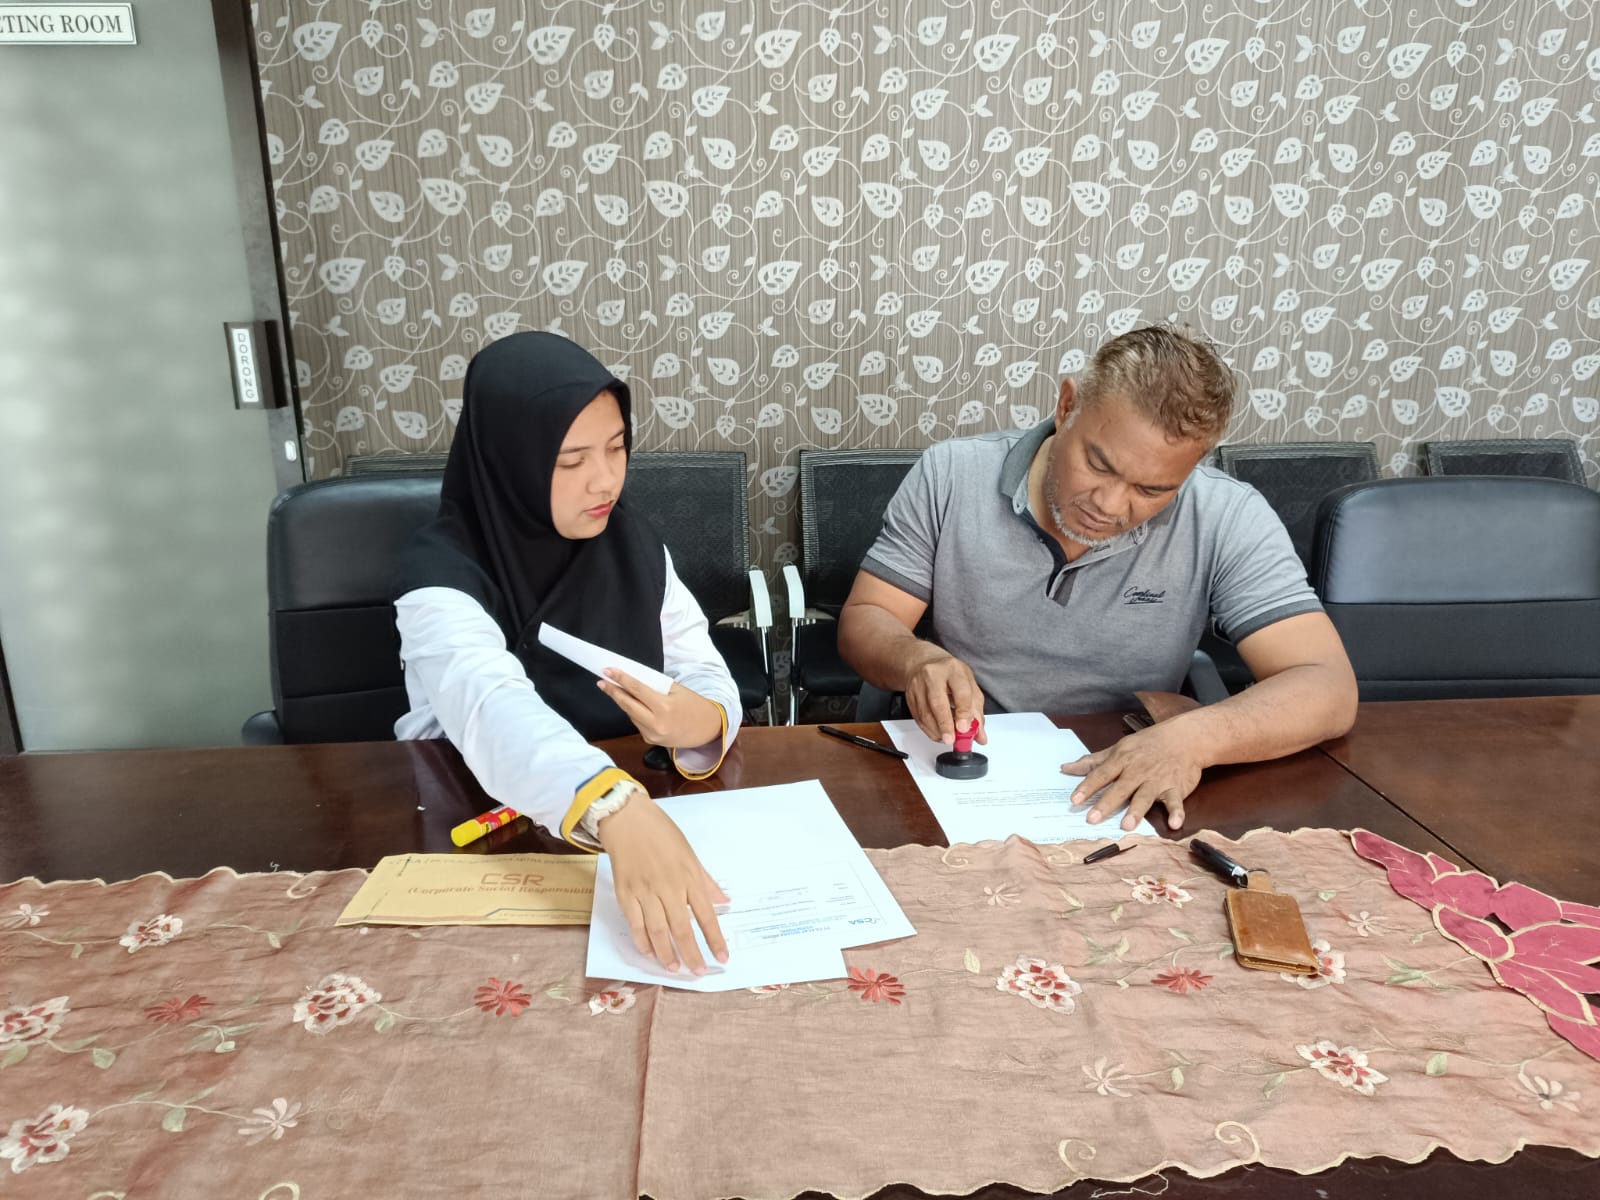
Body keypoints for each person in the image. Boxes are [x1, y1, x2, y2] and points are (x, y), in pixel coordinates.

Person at [837, 324, 1358, 832]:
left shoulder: (1227, 515)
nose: (1108, 506)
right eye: (1098, 464)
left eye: (1151, 490)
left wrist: (1196, 739)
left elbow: (1327, 686)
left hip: (1133, 768)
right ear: (1067, 407)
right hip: (968, 761)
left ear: (1192, 466)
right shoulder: (950, 474)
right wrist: (918, 660)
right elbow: (867, 618)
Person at [392, 332, 741, 976]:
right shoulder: (438, 574)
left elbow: (698, 661)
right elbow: (488, 705)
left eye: (617, 448)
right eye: (571, 460)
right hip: (481, 829)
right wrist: (611, 803)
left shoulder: (631, 541)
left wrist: (705, 717)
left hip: (629, 822)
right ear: (510, 462)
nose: (604, 479)